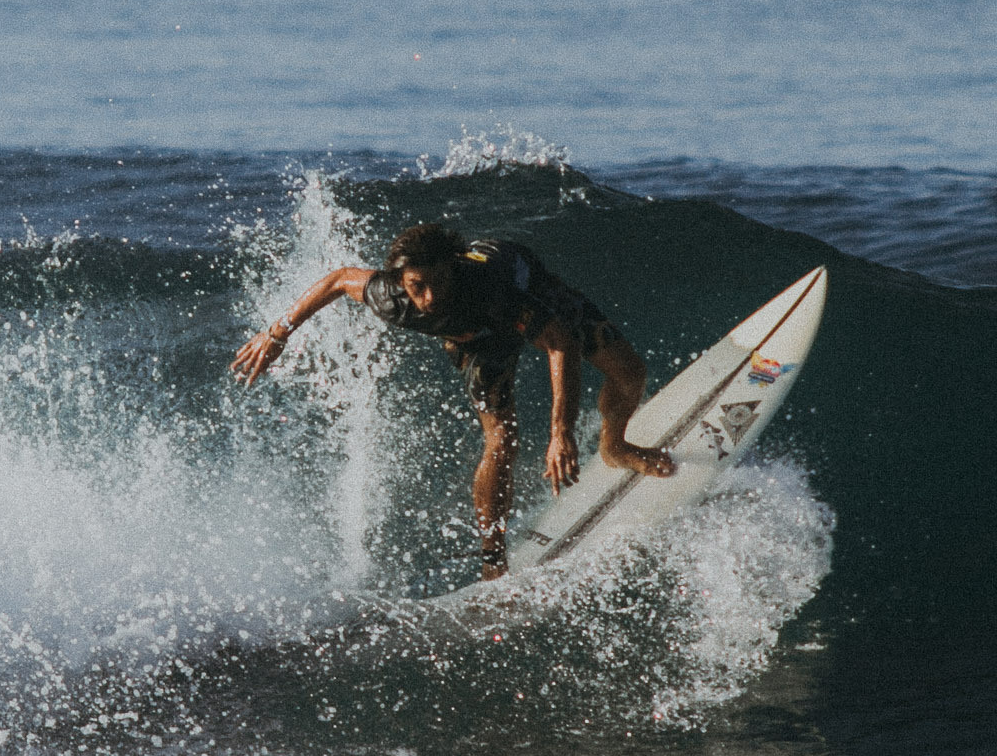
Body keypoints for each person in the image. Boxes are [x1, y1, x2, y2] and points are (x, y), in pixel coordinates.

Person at [231, 223, 674, 579]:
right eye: (417, 286)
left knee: (629, 371)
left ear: (454, 269)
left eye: (438, 282)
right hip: (479, 342)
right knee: (501, 441)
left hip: (525, 287)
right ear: (401, 282)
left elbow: (559, 345)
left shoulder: (487, 291)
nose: (428, 298)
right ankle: (493, 559)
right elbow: (338, 280)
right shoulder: (392, 297)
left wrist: (561, 434)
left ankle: (614, 446)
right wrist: (277, 333)